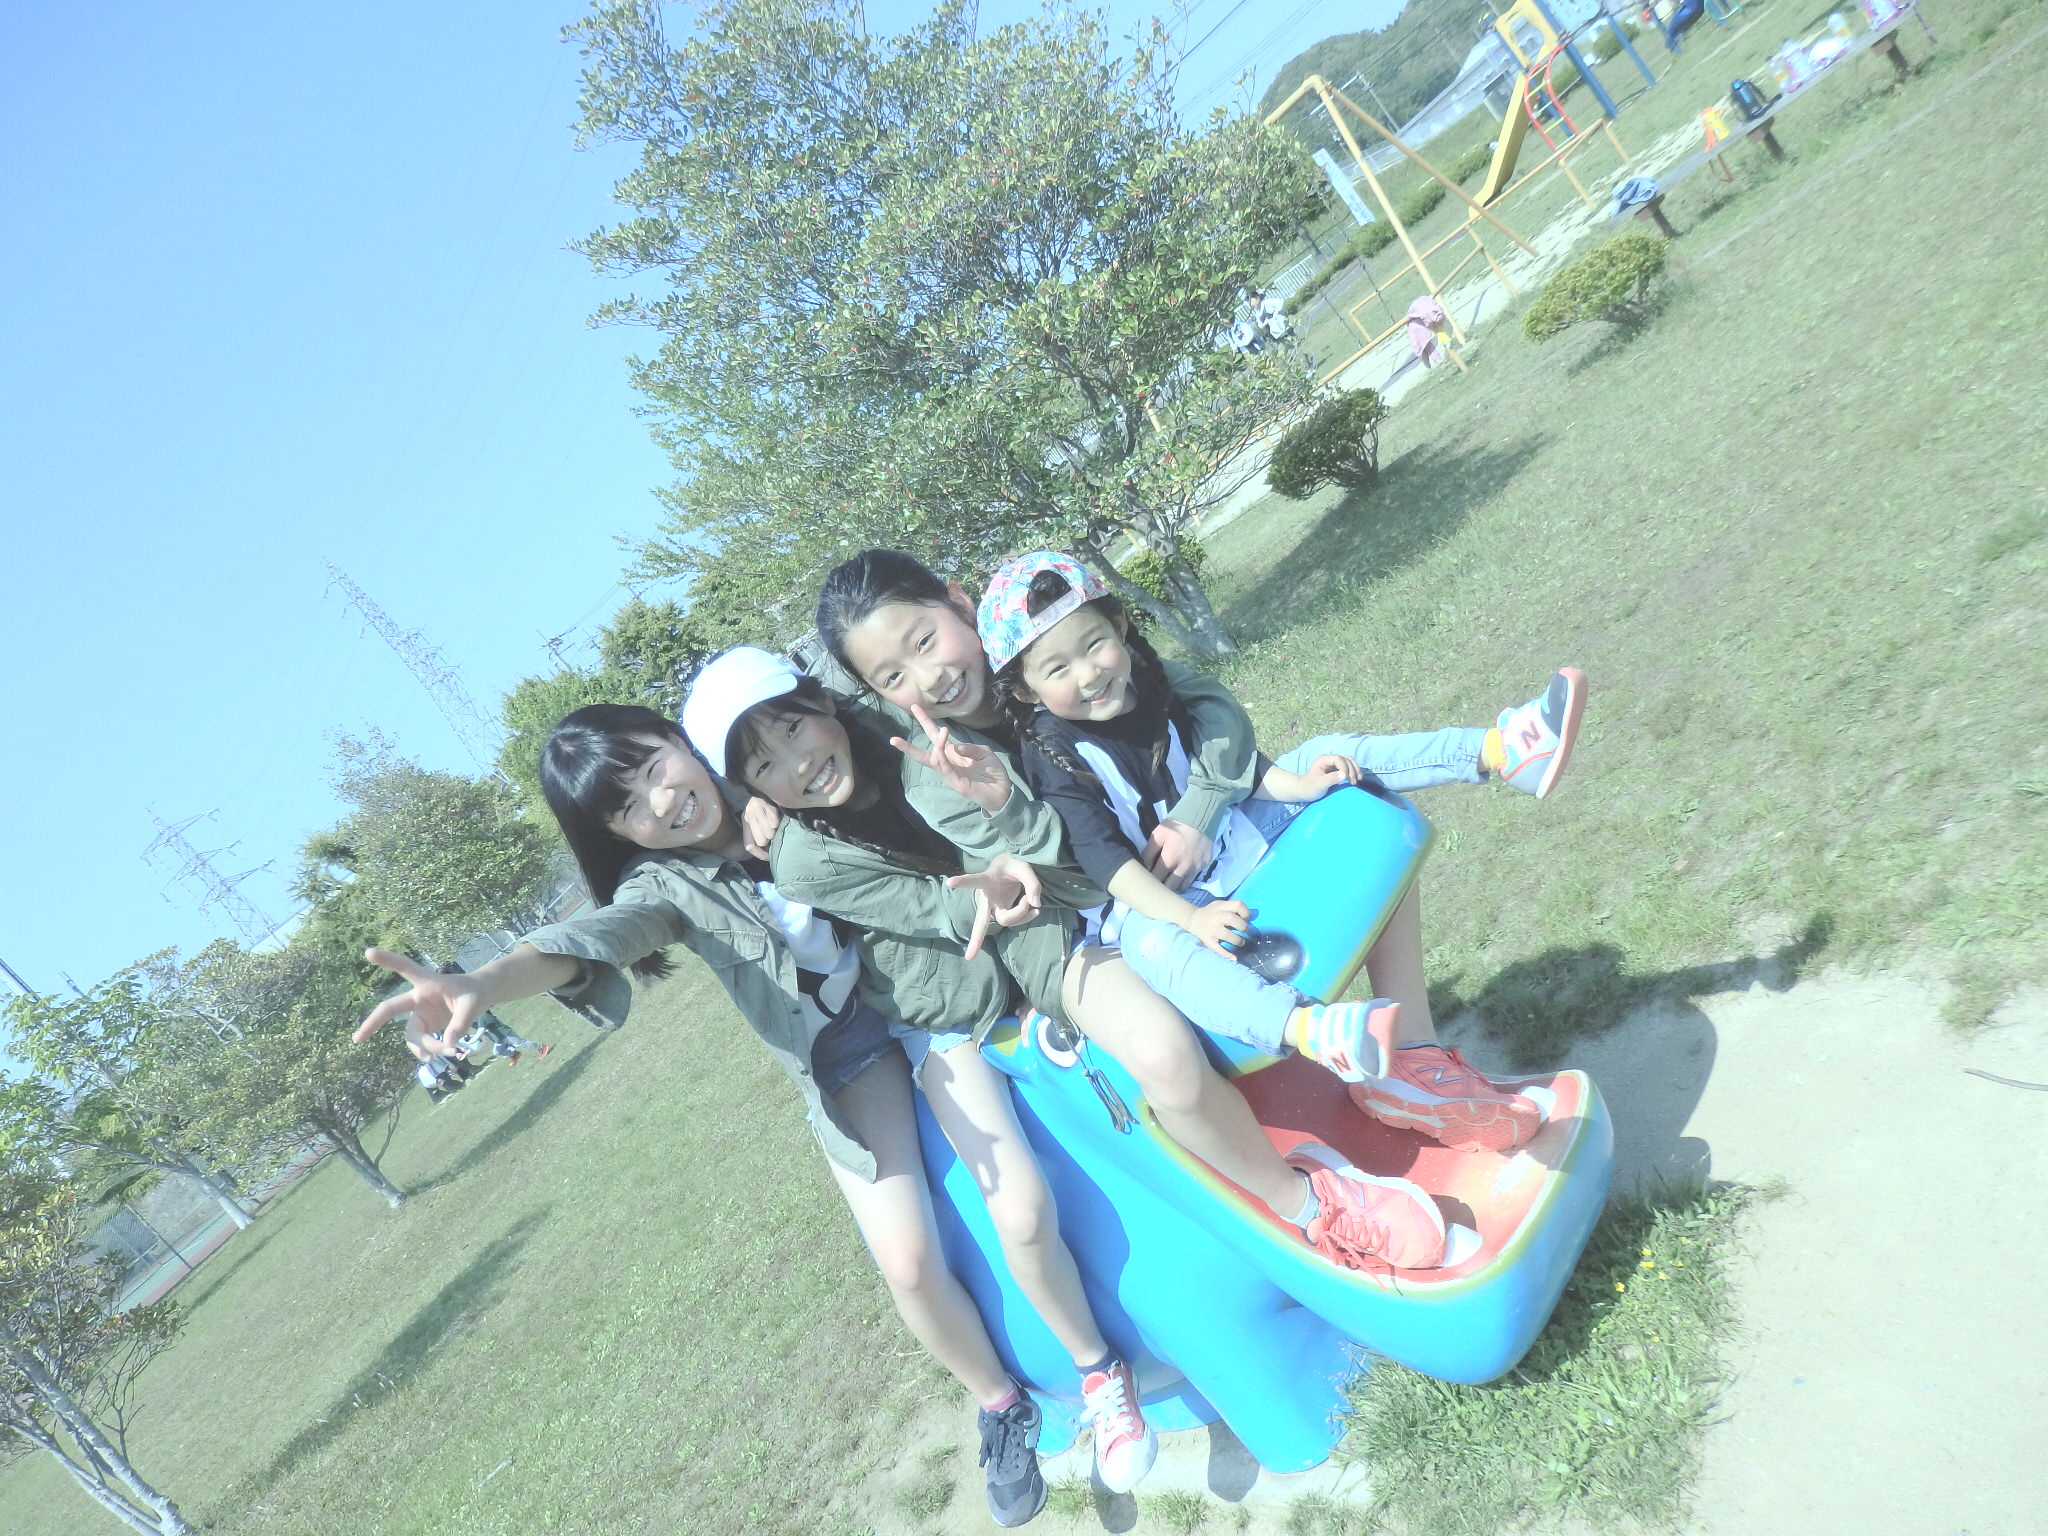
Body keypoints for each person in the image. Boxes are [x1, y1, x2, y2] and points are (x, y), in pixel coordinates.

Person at [352, 707, 1053, 1526]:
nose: (661, 802)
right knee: (905, 1263)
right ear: (618, 837)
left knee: (1019, 1173)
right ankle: (999, 1404)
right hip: (846, 1057)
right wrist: (483, 983)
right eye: (627, 809)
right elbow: (588, 939)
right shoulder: (664, 887)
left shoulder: (775, 766)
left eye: (655, 768)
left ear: (680, 740)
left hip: (933, 984)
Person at [683, 647, 1161, 1497]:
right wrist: (994, 890)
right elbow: (932, 908)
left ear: (822, 702)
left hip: (1042, 925)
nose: (797, 763)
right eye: (763, 765)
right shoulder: (801, 858)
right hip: (941, 1010)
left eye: (793, 728)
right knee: (1018, 1208)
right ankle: (1099, 1373)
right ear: (747, 787)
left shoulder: (904, 727)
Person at [978, 550, 1577, 1154]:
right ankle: (1310, 1029)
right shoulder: (1052, 751)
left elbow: (1237, 770)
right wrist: (1188, 919)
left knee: (1323, 753)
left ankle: (1504, 751)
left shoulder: (1154, 683)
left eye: (1094, 644)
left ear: (1119, 626)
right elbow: (1107, 864)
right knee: (1148, 943)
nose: (1088, 674)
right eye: (1058, 668)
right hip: (1158, 899)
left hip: (1225, 841)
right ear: (1027, 690)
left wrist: (1300, 786)